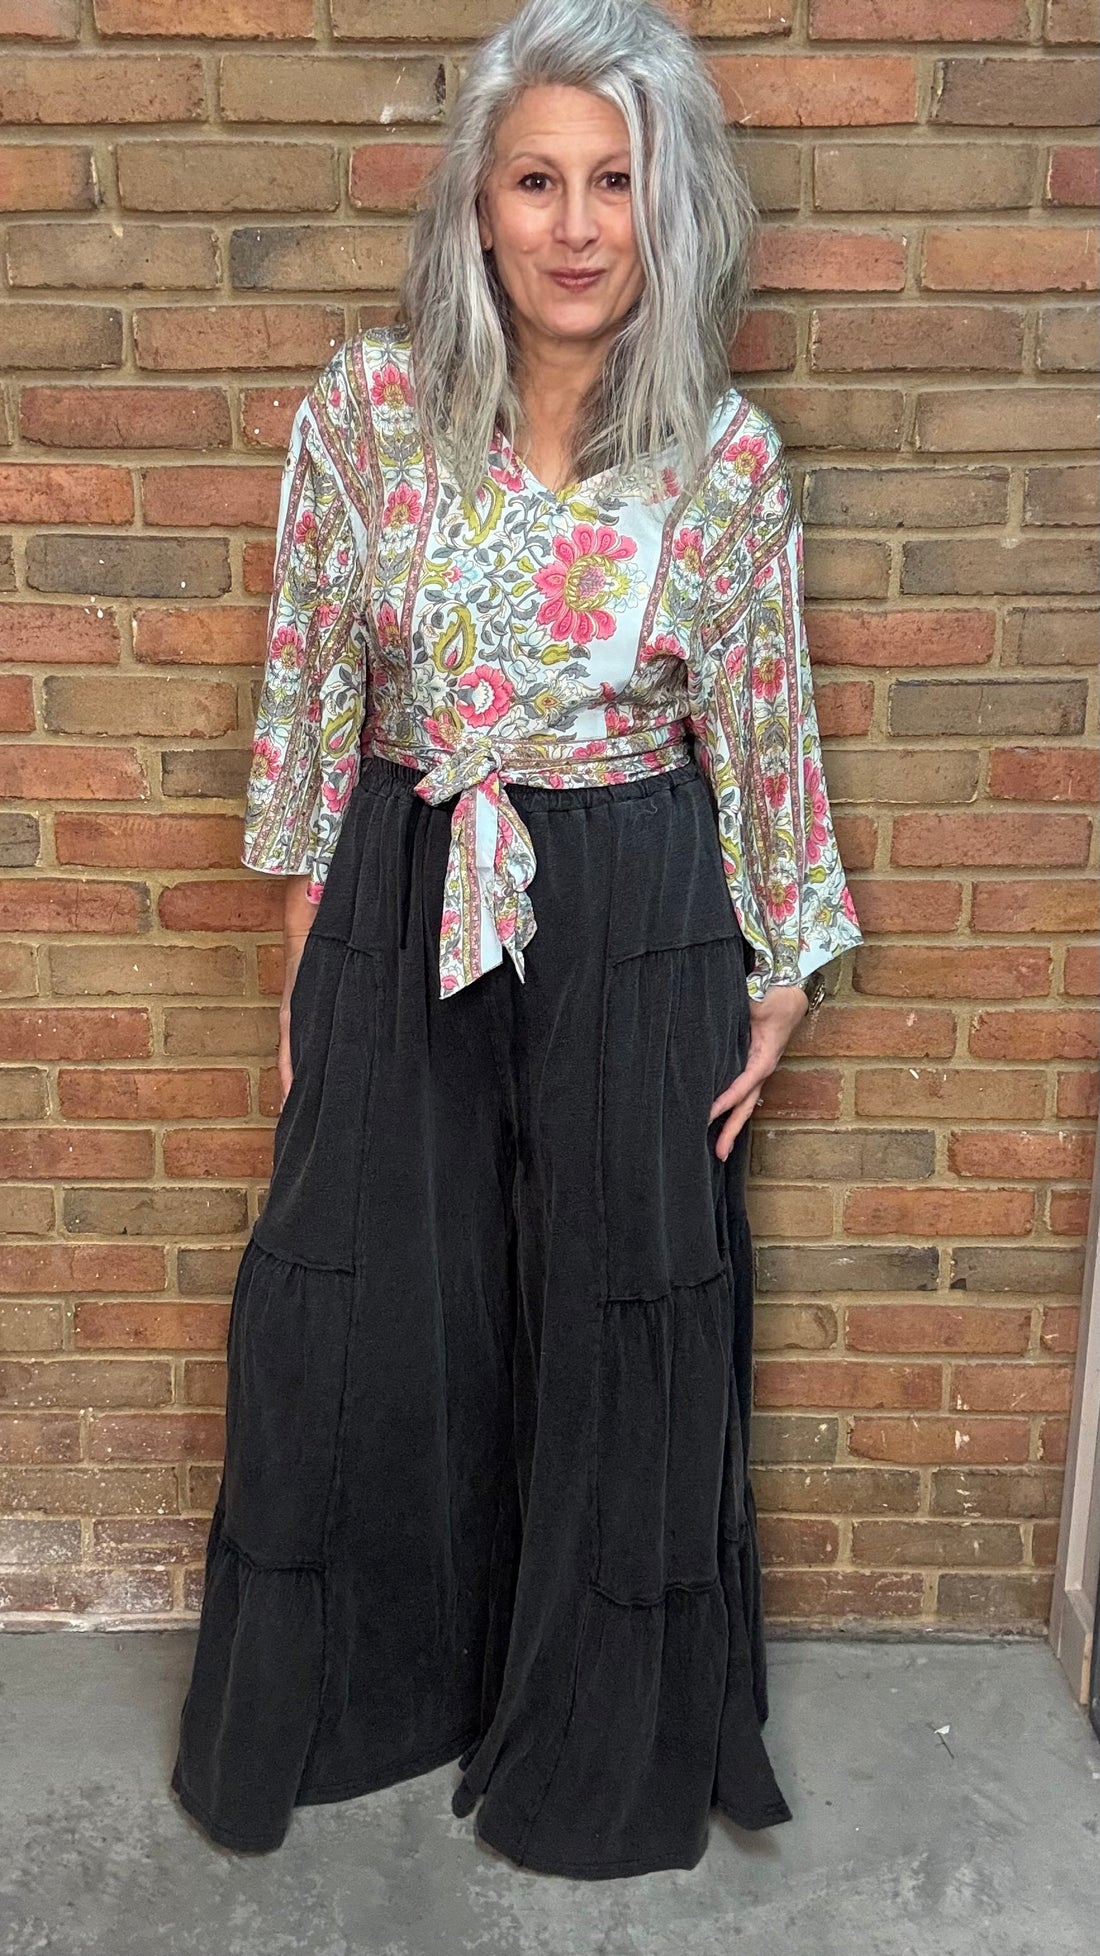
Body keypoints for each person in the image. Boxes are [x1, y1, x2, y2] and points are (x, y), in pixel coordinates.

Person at [170, 0, 863, 1878]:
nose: (576, 224)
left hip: (636, 903)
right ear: (478, 208)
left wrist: (783, 966)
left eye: (615, 182)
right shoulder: (364, 414)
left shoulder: (721, 459)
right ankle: (379, 1692)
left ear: (670, 209)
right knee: (366, 1299)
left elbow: (766, 715)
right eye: (538, 179)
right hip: (405, 881)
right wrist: (309, 966)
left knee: (614, 1304)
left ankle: (588, 1742)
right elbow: (310, 689)